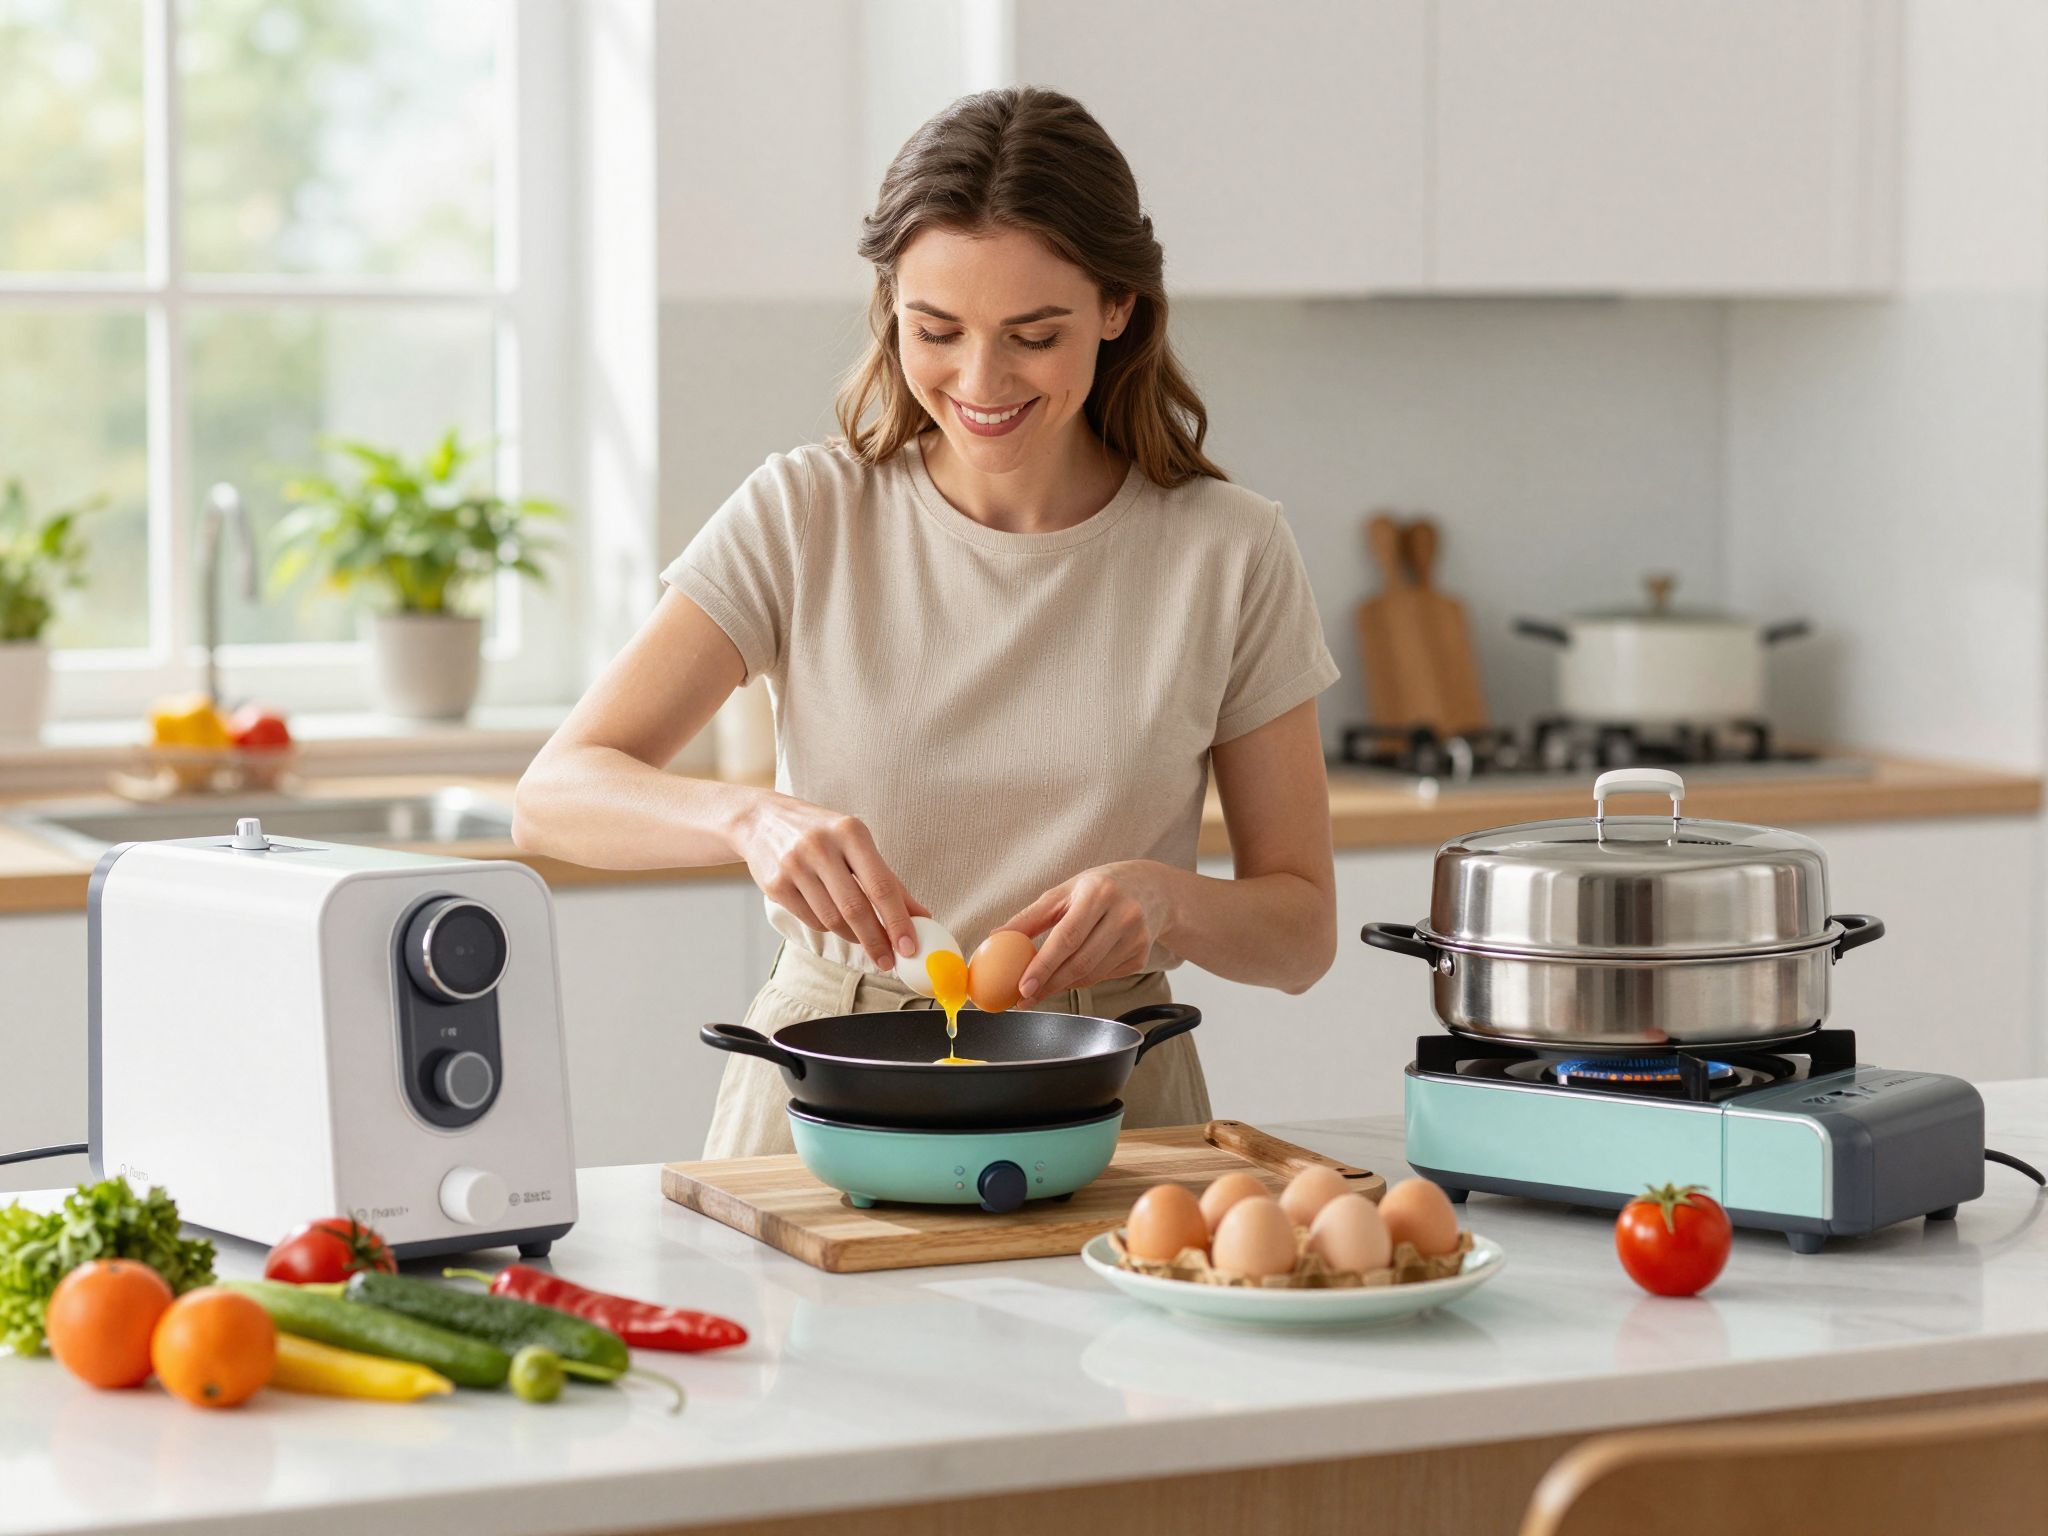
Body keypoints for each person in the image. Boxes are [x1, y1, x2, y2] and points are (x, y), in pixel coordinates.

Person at [514, 87, 1339, 1158]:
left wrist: (1167, 903)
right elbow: (551, 800)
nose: (979, 381)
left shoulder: (1228, 552)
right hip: (828, 1092)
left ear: (1116, 307)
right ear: (889, 307)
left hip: (1111, 1110)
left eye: (1031, 335)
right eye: (934, 331)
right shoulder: (805, 513)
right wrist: (747, 820)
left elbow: (1301, 936)